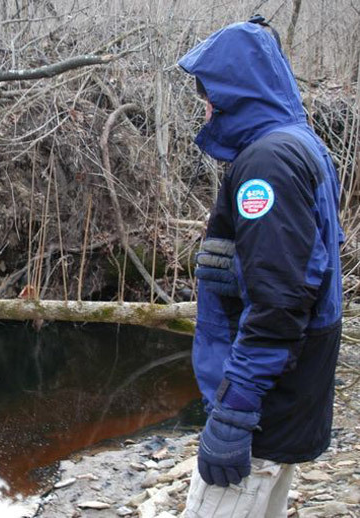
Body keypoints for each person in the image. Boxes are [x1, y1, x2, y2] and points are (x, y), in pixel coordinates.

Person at [177, 16, 344, 517]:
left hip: (263, 406)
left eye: (209, 91)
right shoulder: (300, 144)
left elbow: (281, 299)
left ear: (237, 90)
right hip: (291, 391)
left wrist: (234, 411)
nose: (204, 104)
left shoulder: (267, 163)